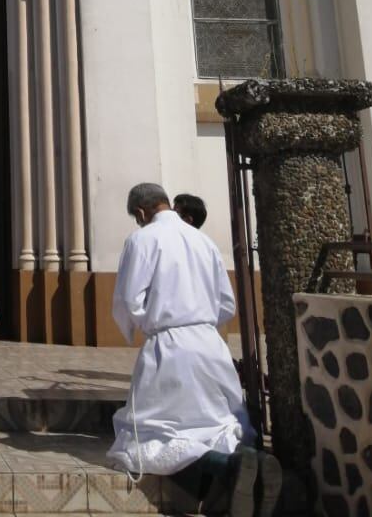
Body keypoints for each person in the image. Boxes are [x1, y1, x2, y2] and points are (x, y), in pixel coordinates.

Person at [107, 183, 281, 517]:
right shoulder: (203, 241)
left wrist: (141, 325)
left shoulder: (142, 239)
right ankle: (254, 460)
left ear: (141, 213)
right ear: (167, 203)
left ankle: (228, 467)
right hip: (210, 347)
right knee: (220, 426)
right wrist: (199, 321)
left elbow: (129, 299)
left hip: (170, 351)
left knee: (152, 438)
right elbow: (225, 304)